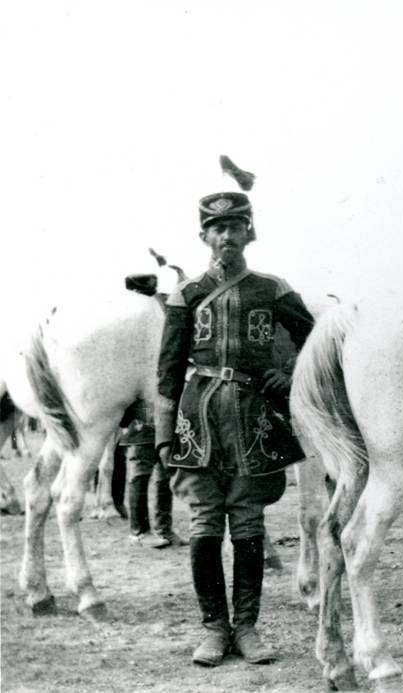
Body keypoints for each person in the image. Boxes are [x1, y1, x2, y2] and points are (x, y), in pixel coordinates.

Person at [155, 191, 315, 666]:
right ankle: (213, 629)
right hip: (198, 420)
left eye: (237, 226)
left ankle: (246, 628)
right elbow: (167, 369)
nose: (228, 236)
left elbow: (315, 340)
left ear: (251, 232)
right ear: (204, 235)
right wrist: (165, 434)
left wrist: (290, 376)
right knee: (205, 523)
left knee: (247, 523)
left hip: (252, 419)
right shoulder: (187, 294)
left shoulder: (273, 289)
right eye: (218, 228)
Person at [122, 274, 185, 549]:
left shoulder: (153, 318)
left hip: (155, 405)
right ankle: (146, 530)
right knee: (146, 471)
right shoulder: (133, 323)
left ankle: (155, 529)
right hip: (145, 407)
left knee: (156, 470)